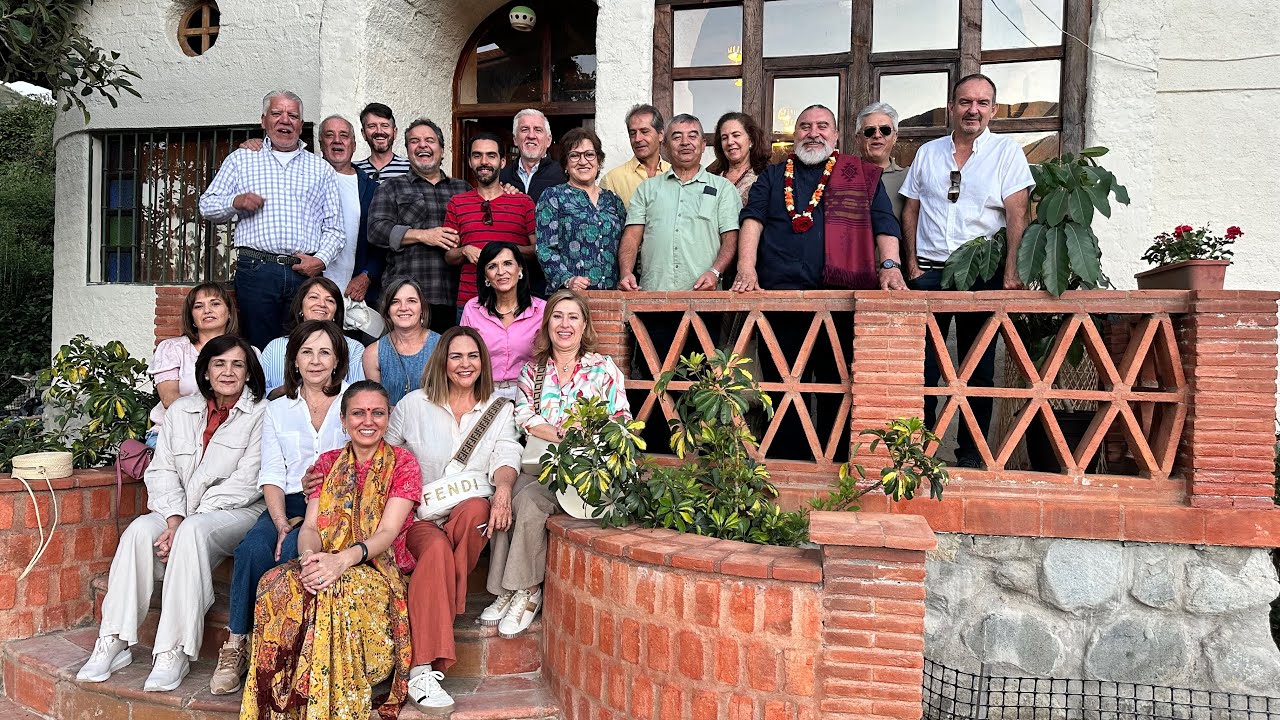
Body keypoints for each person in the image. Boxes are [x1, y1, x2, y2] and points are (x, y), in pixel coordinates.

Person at [77, 335, 267, 692]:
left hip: (235, 512)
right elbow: (161, 470)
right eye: (219, 364)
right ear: (206, 372)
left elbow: (248, 481)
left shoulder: (260, 413)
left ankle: (174, 649)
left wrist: (186, 520)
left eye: (237, 364)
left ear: (248, 372)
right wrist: (174, 518)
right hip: (180, 513)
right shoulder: (180, 411)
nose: (228, 372)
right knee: (137, 531)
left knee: (194, 533)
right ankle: (114, 638)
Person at [240, 381, 418, 720]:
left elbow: (387, 532)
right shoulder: (327, 463)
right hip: (326, 559)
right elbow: (310, 528)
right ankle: (281, 706)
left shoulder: (403, 463)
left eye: (377, 412)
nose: (368, 421)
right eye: (358, 413)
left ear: (388, 416)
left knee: (335, 591)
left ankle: (330, 707)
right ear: (343, 419)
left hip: (375, 567)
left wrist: (340, 561)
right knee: (274, 582)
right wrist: (309, 559)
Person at [901, 73, 1034, 468]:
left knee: (978, 369)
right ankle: (918, 454)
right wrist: (910, 264)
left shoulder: (1007, 153)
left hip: (982, 273)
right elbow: (910, 207)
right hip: (929, 272)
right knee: (923, 369)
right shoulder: (928, 152)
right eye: (964, 102)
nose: (972, 110)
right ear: (951, 107)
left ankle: (972, 455)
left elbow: (1017, 214)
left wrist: (1011, 271)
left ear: (993, 109)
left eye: (981, 103)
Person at [385, 327, 522, 711]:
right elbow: (386, 455)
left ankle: (433, 618)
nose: (466, 364)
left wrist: (505, 490)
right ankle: (421, 669)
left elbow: (507, 454)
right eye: (457, 356)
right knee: (437, 550)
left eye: (473, 356)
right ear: (443, 360)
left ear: (483, 362)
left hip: (468, 512)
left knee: (479, 510)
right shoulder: (413, 405)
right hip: (420, 516)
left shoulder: (499, 407)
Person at [210, 321, 350, 695]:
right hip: (284, 501)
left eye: (324, 352)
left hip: (337, 504)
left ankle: (283, 652)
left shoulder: (353, 401)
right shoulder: (278, 408)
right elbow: (271, 471)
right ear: (295, 360)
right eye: (307, 352)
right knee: (254, 547)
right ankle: (237, 642)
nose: (316, 361)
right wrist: (279, 521)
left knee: (291, 554)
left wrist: (318, 498)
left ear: (337, 359)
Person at [486, 290, 630, 639]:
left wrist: (582, 433)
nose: (564, 325)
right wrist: (565, 432)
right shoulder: (532, 371)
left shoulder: (601, 368)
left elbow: (621, 418)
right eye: (558, 316)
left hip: (582, 471)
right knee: (503, 495)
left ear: (584, 326)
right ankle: (507, 589)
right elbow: (524, 417)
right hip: (540, 464)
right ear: (547, 322)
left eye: (573, 317)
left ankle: (526, 591)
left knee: (528, 502)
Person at [198, 90, 343, 350]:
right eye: (277, 113)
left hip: (303, 273)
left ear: (301, 124)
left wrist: (320, 260)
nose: (285, 120)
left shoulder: (320, 168)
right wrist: (235, 201)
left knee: (307, 345)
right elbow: (206, 206)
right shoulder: (242, 159)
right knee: (259, 347)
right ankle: (263, 392)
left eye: (293, 115)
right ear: (263, 120)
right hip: (257, 270)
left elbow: (335, 228)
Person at [734, 104, 904, 294]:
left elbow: (885, 223)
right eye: (805, 127)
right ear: (795, 134)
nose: (813, 133)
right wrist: (746, 268)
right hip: (775, 292)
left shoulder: (862, 175)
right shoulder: (771, 175)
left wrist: (890, 266)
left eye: (822, 126)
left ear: (836, 135)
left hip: (842, 296)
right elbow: (752, 219)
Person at [367, 118, 471, 336]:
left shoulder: (463, 189)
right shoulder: (391, 187)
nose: (422, 145)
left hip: (455, 296)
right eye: (415, 141)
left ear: (442, 150)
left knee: (447, 364)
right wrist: (423, 235)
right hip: (406, 299)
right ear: (408, 151)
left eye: (430, 140)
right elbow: (375, 230)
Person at [618, 113, 740, 293]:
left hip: (705, 296)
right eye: (676, 137)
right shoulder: (647, 189)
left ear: (703, 145)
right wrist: (626, 272)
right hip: (653, 295)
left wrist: (715, 272)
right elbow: (631, 237)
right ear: (665, 146)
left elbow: (731, 239)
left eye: (692, 136)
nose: (685, 142)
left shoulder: (724, 189)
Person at [445, 132, 536, 316]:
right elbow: (448, 256)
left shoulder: (523, 202)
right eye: (477, 155)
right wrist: (464, 250)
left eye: (491, 155)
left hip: (515, 303)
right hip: (470, 302)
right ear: (470, 161)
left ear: (502, 162)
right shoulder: (457, 203)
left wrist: (505, 251)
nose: (484, 161)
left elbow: (537, 251)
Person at [535, 127, 626, 291]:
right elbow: (544, 249)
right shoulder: (553, 197)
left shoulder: (613, 200)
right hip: (570, 299)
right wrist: (567, 280)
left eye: (589, 155)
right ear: (565, 164)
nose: (583, 161)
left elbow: (625, 247)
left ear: (599, 161)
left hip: (612, 298)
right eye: (575, 155)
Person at [147, 282, 239, 441]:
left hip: (227, 437)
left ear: (229, 313)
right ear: (193, 319)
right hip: (174, 435)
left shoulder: (247, 353)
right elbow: (169, 400)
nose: (207, 310)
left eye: (215, 304)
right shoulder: (172, 349)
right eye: (198, 306)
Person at [461, 242, 545, 401]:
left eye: (507, 263)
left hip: (530, 393)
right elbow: (464, 355)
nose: (501, 272)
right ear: (485, 276)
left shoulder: (541, 310)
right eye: (492, 266)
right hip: (483, 393)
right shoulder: (472, 309)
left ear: (519, 269)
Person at [318, 115, 384, 305]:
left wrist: (366, 276)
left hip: (354, 291)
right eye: (330, 135)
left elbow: (381, 244)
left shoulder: (372, 189)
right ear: (321, 144)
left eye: (344, 135)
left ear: (354, 145)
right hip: (313, 288)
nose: (337, 140)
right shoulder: (306, 180)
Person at [260, 277, 365, 395]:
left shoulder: (354, 348)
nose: (321, 304)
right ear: (300, 306)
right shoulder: (275, 347)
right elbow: (259, 394)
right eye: (314, 297)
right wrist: (288, 391)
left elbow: (359, 393)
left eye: (330, 300)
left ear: (336, 311)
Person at [363, 278, 442, 406]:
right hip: (391, 424)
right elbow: (376, 406)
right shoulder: (373, 353)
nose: (403, 308)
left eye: (411, 301)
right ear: (388, 310)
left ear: (422, 308)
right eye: (395, 302)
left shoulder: (442, 345)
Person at [600, 104, 670, 209]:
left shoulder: (674, 174)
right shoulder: (611, 180)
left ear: (660, 135)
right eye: (632, 133)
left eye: (644, 132)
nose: (637, 139)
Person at [855, 101, 908, 220]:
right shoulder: (843, 176)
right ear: (858, 139)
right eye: (869, 131)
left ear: (895, 137)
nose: (877, 135)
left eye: (885, 130)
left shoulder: (909, 178)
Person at [500, 108, 565, 202]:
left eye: (538, 130)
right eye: (524, 129)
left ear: (548, 140)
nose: (531, 136)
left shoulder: (563, 175)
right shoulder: (502, 177)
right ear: (515, 139)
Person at [708, 111, 770, 206]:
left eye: (736, 135)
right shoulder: (712, 177)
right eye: (724, 138)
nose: (730, 142)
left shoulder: (765, 177)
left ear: (751, 140)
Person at [354, 102, 411, 181]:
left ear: (395, 132)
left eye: (385, 126)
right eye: (372, 126)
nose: (379, 131)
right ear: (363, 133)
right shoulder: (354, 170)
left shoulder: (411, 168)